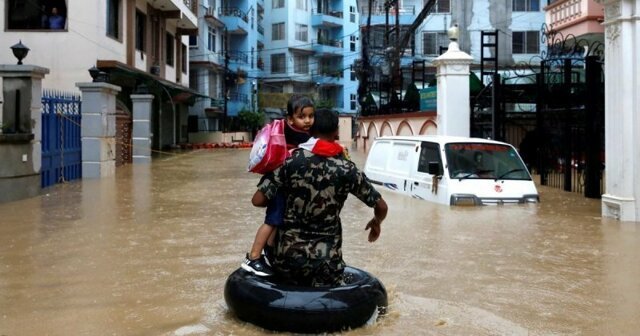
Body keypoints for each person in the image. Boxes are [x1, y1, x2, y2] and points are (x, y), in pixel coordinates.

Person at [251, 108, 388, 287]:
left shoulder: (290, 161)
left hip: (286, 263)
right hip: (327, 267)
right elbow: (382, 206)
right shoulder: (348, 169)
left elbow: (258, 200)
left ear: (310, 130)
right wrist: (376, 221)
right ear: (337, 132)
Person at [241, 95, 315, 276]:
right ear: (290, 119)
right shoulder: (295, 133)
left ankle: (269, 251)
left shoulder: (291, 130)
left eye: (311, 116)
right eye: (302, 116)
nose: (307, 121)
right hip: (279, 185)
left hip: (281, 183)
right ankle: (254, 257)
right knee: (272, 221)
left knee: (278, 219)